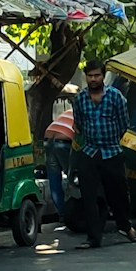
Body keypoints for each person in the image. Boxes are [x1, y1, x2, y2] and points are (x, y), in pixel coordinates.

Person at [70, 59, 136, 247]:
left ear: (103, 76)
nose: (93, 79)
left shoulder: (116, 97)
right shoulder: (80, 99)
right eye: (90, 76)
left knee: (119, 194)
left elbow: (124, 124)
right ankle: (93, 238)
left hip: (112, 152)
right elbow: (79, 125)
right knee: (89, 196)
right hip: (90, 152)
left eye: (97, 75)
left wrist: (111, 141)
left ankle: (125, 226)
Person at [42, 86, 78, 222]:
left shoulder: (68, 112)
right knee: (73, 177)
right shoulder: (83, 113)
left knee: (54, 179)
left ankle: (62, 214)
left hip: (47, 139)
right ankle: (73, 212)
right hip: (63, 141)